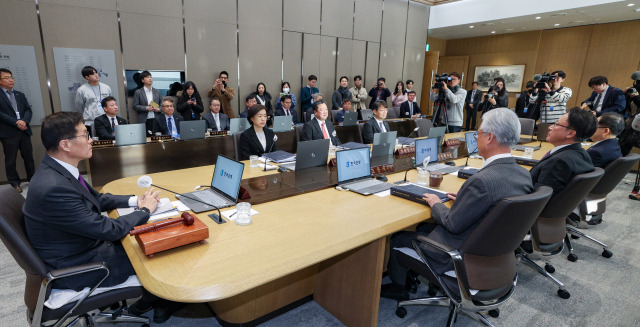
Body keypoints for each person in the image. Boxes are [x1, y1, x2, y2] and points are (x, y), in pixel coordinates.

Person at [22, 111, 180, 323]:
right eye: (85, 135)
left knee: (149, 235)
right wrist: (144, 212)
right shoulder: (54, 187)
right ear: (65, 145)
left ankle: (152, 300)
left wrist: (135, 201)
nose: (91, 140)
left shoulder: (57, 169)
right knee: (160, 248)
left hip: (76, 248)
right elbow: (108, 230)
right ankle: (158, 301)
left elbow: (97, 199)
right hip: (80, 266)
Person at [382, 108, 533, 300]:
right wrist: (466, 201)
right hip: (493, 252)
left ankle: (398, 289)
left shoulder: (482, 181)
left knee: (398, 238)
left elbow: (452, 224)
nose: (476, 138)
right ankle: (415, 275)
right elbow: (495, 207)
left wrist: (436, 203)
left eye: (478, 133)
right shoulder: (524, 175)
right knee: (422, 226)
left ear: (489, 138)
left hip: (459, 255)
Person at [530, 108, 597, 196]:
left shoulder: (559, 162)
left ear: (570, 133)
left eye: (556, 124)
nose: (550, 127)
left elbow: (539, 197)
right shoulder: (582, 154)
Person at [0, 68, 35, 193]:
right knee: (10, 159)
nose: (11, 80)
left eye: (11, 77)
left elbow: (28, 110)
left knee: (29, 157)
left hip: (24, 130)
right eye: (6, 78)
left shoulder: (20, 94)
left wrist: (24, 121)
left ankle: (33, 179)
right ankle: (15, 183)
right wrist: (16, 122)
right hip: (8, 132)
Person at [133, 71, 161, 135]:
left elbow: (162, 104)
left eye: (151, 77)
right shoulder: (138, 92)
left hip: (156, 118)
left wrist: (159, 109)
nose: (150, 79)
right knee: (146, 138)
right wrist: (146, 108)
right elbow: (135, 106)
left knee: (157, 137)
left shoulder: (157, 91)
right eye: (147, 77)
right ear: (143, 80)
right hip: (144, 119)